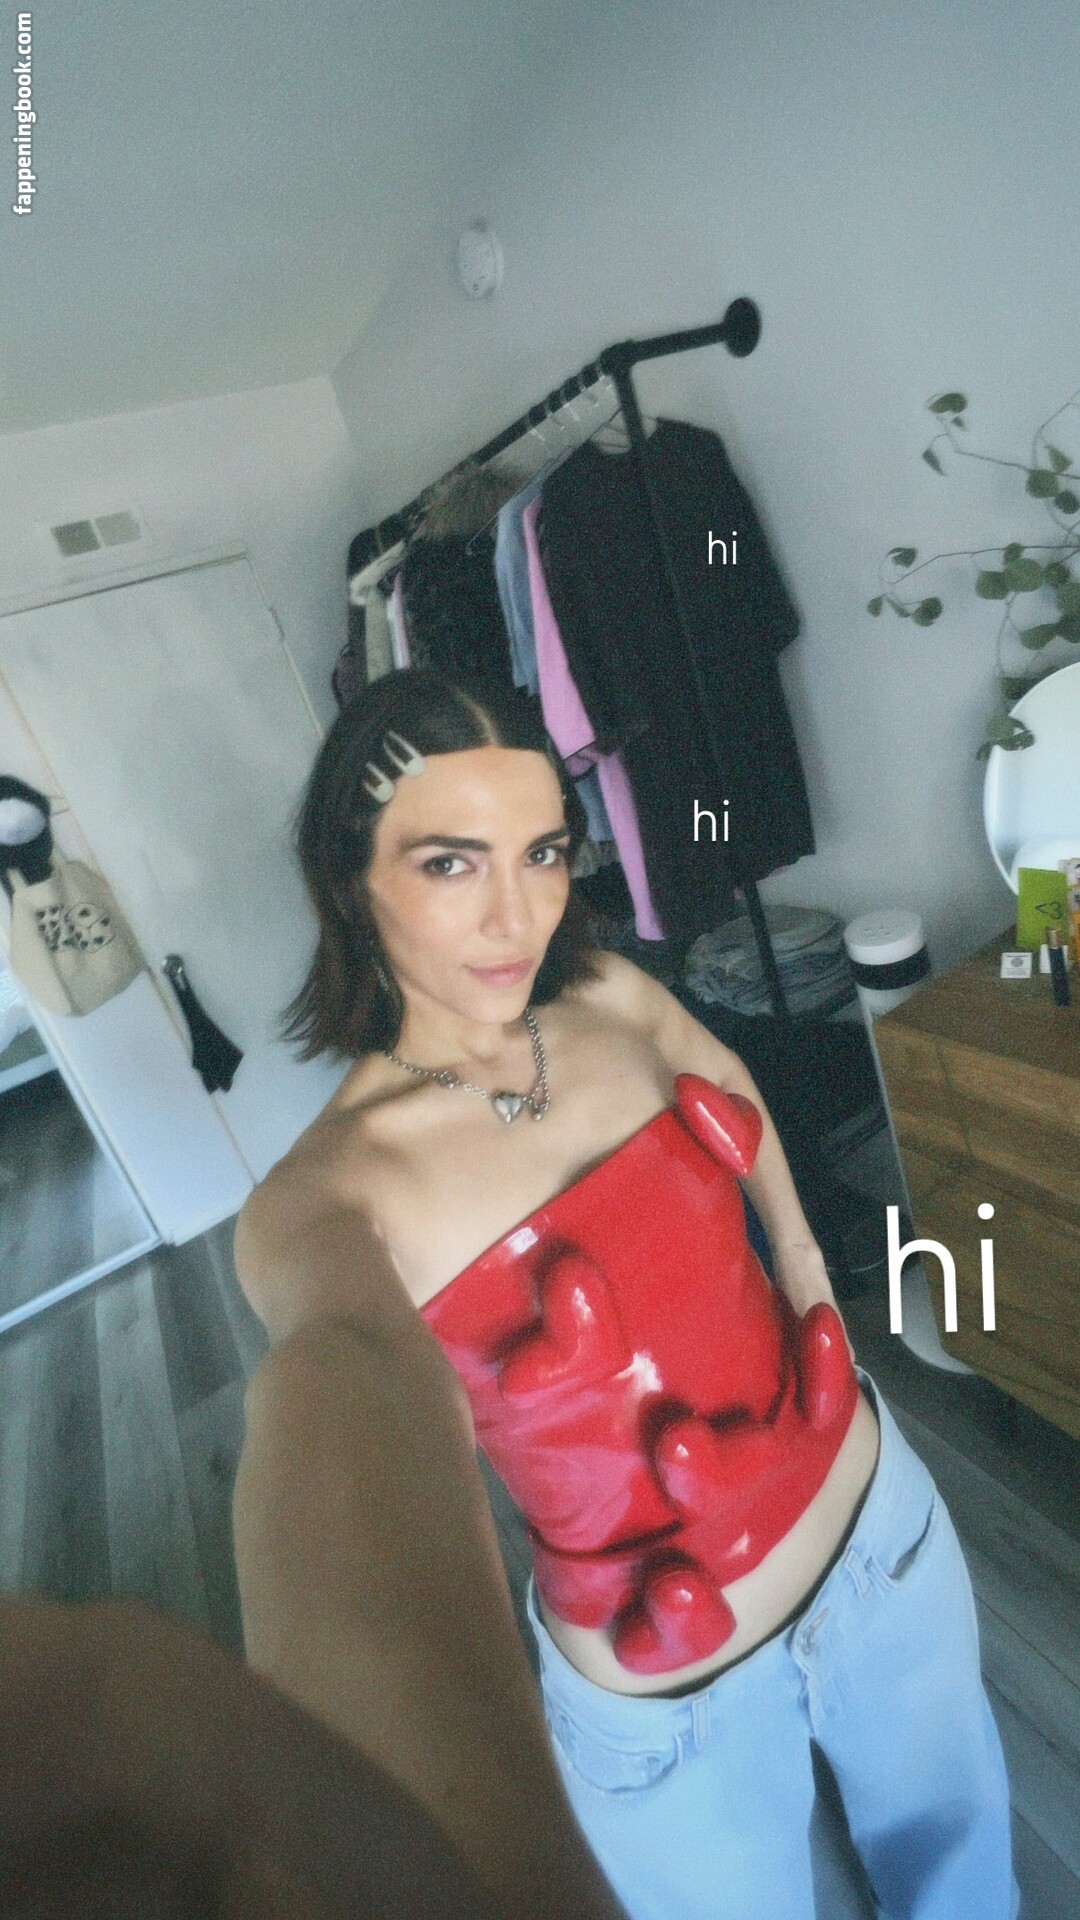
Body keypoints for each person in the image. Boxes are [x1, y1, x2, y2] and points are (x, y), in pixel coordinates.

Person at [232, 666, 1018, 1920]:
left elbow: (729, 1080)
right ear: (349, 875)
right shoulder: (324, 1198)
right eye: (451, 863)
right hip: (673, 1703)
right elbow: (338, 1402)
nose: (517, 913)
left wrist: (805, 1266)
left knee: (970, 1882)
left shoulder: (605, 994)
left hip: (880, 1538)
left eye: (543, 852)